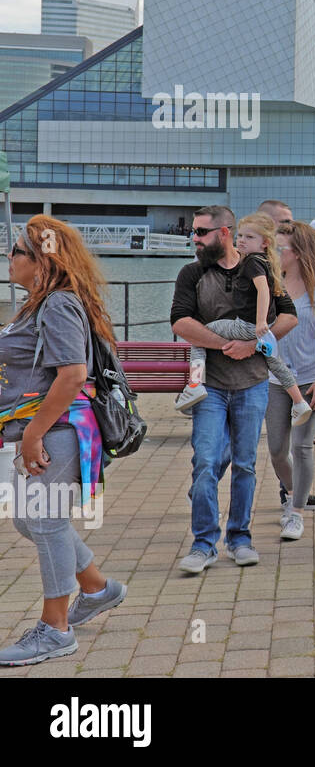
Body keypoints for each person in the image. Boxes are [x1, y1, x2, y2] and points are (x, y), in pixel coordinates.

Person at [0, 218, 127, 666]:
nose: (10, 257)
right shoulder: (38, 304)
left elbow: (73, 374)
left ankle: (55, 629)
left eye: (17, 250)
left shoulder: (57, 305)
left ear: (42, 261)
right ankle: (96, 587)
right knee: (28, 521)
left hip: (56, 431)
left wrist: (33, 433)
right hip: (38, 429)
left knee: (47, 521)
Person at [171, 206, 297, 574]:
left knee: (244, 464)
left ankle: (239, 539)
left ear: (224, 233)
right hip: (209, 386)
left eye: (202, 233)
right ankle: (204, 544)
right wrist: (223, 343)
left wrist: (253, 345)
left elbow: (288, 315)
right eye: (194, 232)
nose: (195, 239)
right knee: (205, 462)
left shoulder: (260, 267)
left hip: (252, 384)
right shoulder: (192, 273)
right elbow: (180, 321)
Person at [173, 212, 313, 428]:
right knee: (275, 363)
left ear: (264, 242)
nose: (241, 241)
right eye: (241, 236)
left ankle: (195, 383)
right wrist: (261, 337)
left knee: (199, 336)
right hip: (262, 333)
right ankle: (299, 402)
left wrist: (258, 325)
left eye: (249, 237)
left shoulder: (251, 263)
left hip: (247, 327)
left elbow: (265, 292)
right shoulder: (269, 264)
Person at [265, 222, 315, 542]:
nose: (275, 254)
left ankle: (295, 513)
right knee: (277, 450)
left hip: (312, 378)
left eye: (280, 248)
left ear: (296, 253)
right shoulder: (271, 287)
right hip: (275, 379)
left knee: (302, 445)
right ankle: (296, 492)